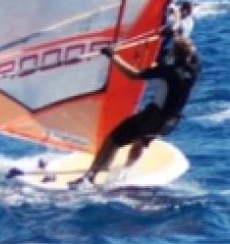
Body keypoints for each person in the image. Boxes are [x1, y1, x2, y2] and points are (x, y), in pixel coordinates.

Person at [73, 35, 201, 186]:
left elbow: (134, 75)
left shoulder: (167, 71)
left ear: (174, 53)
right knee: (141, 140)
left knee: (113, 140)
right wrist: (173, 35)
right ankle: (125, 172)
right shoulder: (194, 69)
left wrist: (113, 56)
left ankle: (89, 177)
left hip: (153, 118)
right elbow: (185, 56)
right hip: (170, 122)